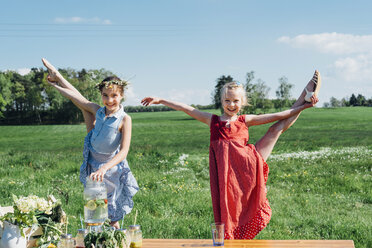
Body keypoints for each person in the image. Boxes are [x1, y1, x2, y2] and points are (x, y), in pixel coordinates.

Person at [141, 71, 320, 239]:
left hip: (249, 163)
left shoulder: (244, 120)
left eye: (235, 101)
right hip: (228, 176)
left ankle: (305, 94)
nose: (231, 105)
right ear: (221, 101)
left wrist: (305, 106)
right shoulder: (213, 121)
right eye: (227, 100)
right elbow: (187, 109)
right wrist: (161, 100)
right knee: (230, 206)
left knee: (276, 129)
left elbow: (280, 115)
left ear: (242, 102)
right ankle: (231, 239)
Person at [42, 58, 139, 229]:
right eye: (105, 96)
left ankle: (115, 238)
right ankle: (58, 75)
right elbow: (76, 97)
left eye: (114, 96)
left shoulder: (125, 119)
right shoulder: (98, 110)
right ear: (101, 94)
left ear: (122, 95)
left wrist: (104, 168)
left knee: (112, 214)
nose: (109, 101)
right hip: (93, 159)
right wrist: (55, 84)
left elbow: (124, 152)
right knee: (94, 211)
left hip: (109, 167)